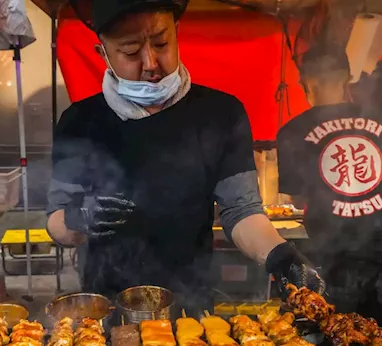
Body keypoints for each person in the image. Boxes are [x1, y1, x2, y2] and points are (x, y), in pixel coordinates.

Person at [46, 0, 323, 314]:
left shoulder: (220, 114)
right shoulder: (80, 121)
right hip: (106, 309)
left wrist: (280, 256)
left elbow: (241, 209)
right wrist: (77, 218)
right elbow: (56, 222)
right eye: (130, 51)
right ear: (103, 54)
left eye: (161, 43)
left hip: (191, 306)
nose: (151, 63)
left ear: (177, 32)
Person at [277, 44, 382, 334]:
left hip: (333, 263)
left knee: (338, 336)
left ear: (305, 83)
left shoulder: (293, 132)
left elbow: (297, 199)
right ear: (348, 77)